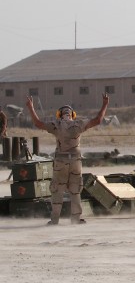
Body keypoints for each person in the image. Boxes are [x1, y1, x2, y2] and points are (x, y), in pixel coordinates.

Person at [26, 93, 109, 225]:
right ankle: (76, 219)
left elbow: (38, 123)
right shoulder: (79, 124)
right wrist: (105, 104)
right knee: (75, 190)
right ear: (72, 114)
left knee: (57, 189)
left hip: (60, 162)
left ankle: (54, 220)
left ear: (59, 114)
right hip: (76, 162)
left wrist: (30, 107)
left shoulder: (56, 125)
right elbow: (98, 120)